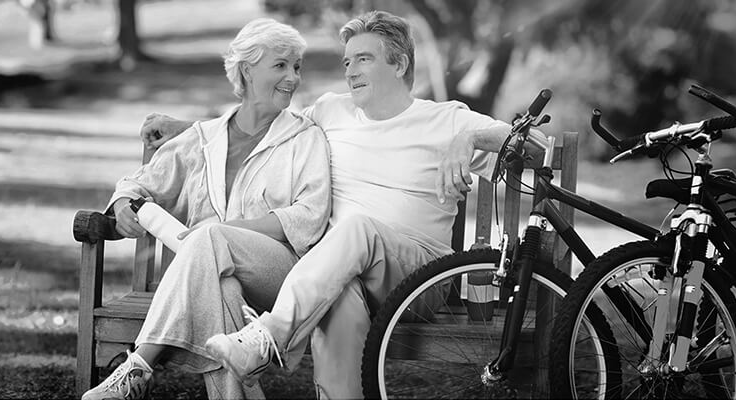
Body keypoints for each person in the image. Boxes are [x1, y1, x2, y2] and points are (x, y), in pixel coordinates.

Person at [143, 11, 546, 399]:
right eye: (347, 61)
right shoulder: (330, 111)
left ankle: (269, 338)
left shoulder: (447, 120)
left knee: (357, 229)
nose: (350, 71)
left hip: (419, 278)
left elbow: (536, 150)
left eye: (364, 59)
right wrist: (184, 130)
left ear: (400, 63)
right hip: (340, 272)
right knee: (339, 295)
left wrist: (470, 140)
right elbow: (262, 119)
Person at [81, 18, 331, 400]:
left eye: (297, 66)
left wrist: (231, 232)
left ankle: (139, 365)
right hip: (210, 280)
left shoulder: (304, 138)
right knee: (222, 289)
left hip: (279, 280)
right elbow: (137, 183)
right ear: (246, 70)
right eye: (280, 65)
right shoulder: (202, 140)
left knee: (212, 235)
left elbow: (308, 217)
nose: (293, 77)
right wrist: (121, 204)